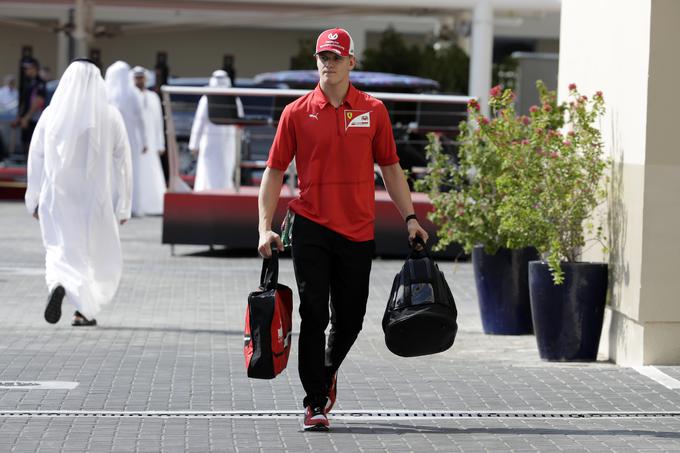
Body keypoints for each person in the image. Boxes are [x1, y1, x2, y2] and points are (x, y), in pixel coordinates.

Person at [257, 27, 429, 431]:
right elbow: (274, 171)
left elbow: (390, 168)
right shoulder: (297, 112)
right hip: (310, 226)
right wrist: (265, 227)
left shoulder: (373, 110)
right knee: (314, 313)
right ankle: (315, 402)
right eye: (323, 57)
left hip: (357, 230)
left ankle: (327, 370)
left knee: (349, 319)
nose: (329, 64)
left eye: (336, 57)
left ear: (351, 62)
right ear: (316, 61)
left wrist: (410, 218)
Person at [24, 59, 132, 327]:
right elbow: (123, 162)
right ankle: (84, 311)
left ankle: (59, 283)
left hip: (56, 198)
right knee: (92, 253)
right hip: (94, 201)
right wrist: (124, 205)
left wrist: (33, 198)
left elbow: (34, 157)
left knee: (59, 247)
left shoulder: (50, 114)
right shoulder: (110, 115)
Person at [188, 70, 243, 191]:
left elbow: (198, 123)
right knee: (220, 169)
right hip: (221, 142)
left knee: (220, 169)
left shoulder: (206, 99)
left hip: (217, 142)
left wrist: (194, 145)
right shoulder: (235, 99)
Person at [105, 61, 147, 216]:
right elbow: (141, 120)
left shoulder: (105, 92)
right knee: (130, 171)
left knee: (110, 171)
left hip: (110, 139)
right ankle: (131, 205)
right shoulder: (133, 93)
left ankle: (111, 204)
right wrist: (144, 141)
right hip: (131, 140)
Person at [132, 65, 166, 215]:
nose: (139, 80)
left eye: (141, 77)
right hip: (134, 141)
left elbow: (159, 121)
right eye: (136, 77)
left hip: (151, 141)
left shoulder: (153, 97)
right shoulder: (129, 96)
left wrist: (160, 143)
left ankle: (152, 205)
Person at [12, 58, 46, 159]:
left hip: (34, 118)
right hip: (25, 118)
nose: (26, 71)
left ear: (34, 68)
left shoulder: (40, 82)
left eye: (28, 68)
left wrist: (27, 117)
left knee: (32, 144)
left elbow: (38, 101)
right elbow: (24, 101)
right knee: (25, 142)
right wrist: (19, 117)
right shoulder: (28, 82)